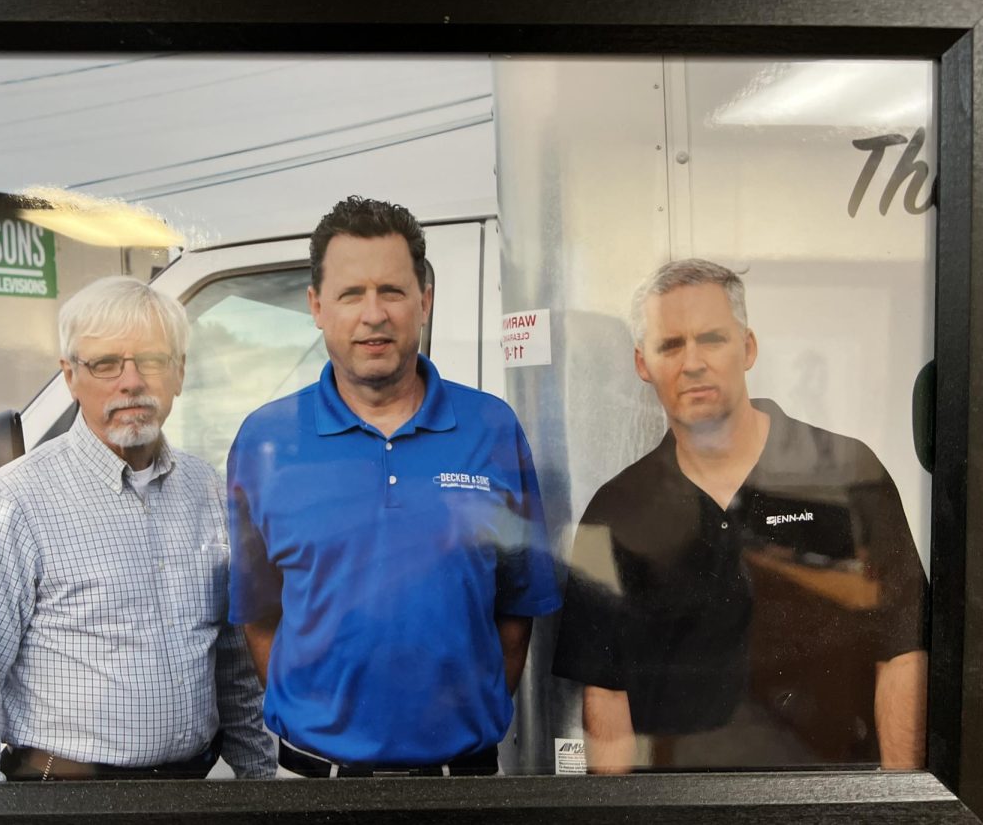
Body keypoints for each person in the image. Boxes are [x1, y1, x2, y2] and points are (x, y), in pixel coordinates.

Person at [227, 196, 561, 777]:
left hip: (464, 786)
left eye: (393, 291)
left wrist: (458, 727)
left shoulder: (493, 428)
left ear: (424, 301)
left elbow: (516, 611)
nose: (373, 314)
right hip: (314, 788)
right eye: (351, 294)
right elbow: (259, 617)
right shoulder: (264, 441)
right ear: (317, 306)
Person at [552, 259, 928, 772]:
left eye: (712, 339)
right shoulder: (614, 511)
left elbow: (902, 652)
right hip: (679, 809)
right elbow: (606, 695)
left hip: (835, 801)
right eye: (670, 345)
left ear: (747, 347)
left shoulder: (846, 474)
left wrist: (897, 803)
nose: (692, 362)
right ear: (643, 363)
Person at [0, 276, 274, 782]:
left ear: (179, 373)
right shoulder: (13, 502)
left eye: (153, 360)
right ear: (70, 375)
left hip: (193, 794)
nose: (132, 381)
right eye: (106, 364)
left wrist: (260, 789)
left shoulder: (208, 489)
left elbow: (234, 667)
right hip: (65, 800)